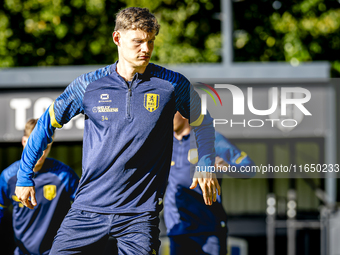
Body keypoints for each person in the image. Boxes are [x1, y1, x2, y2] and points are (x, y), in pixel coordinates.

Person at [15, 7, 219, 255]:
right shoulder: (88, 85)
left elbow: (203, 121)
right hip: (87, 210)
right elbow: (46, 124)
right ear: (117, 39)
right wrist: (25, 175)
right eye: (138, 41)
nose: (146, 48)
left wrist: (206, 162)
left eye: (151, 41)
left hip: (139, 215)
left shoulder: (172, 84)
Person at [164, 112, 256, 255]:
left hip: (208, 229)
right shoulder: (162, 142)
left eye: (169, 112)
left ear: (183, 113)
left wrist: (226, 166)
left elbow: (249, 168)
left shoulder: (210, 139)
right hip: (177, 230)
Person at [0, 119, 79, 255]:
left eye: (46, 146)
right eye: (35, 145)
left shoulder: (65, 175)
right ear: (24, 142)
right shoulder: (8, 176)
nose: (41, 152)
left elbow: (86, 209)